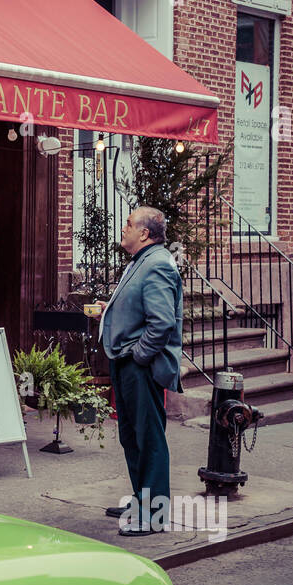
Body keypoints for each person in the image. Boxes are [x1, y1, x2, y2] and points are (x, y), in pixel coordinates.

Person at [98, 206, 183, 537]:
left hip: (138, 365)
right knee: (131, 435)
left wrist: (138, 356)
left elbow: (161, 323)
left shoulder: (159, 263)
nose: (124, 228)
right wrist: (111, 311)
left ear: (145, 233)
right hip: (125, 361)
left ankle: (155, 515)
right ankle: (141, 500)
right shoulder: (141, 261)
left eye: (129, 224)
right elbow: (140, 308)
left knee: (149, 439)